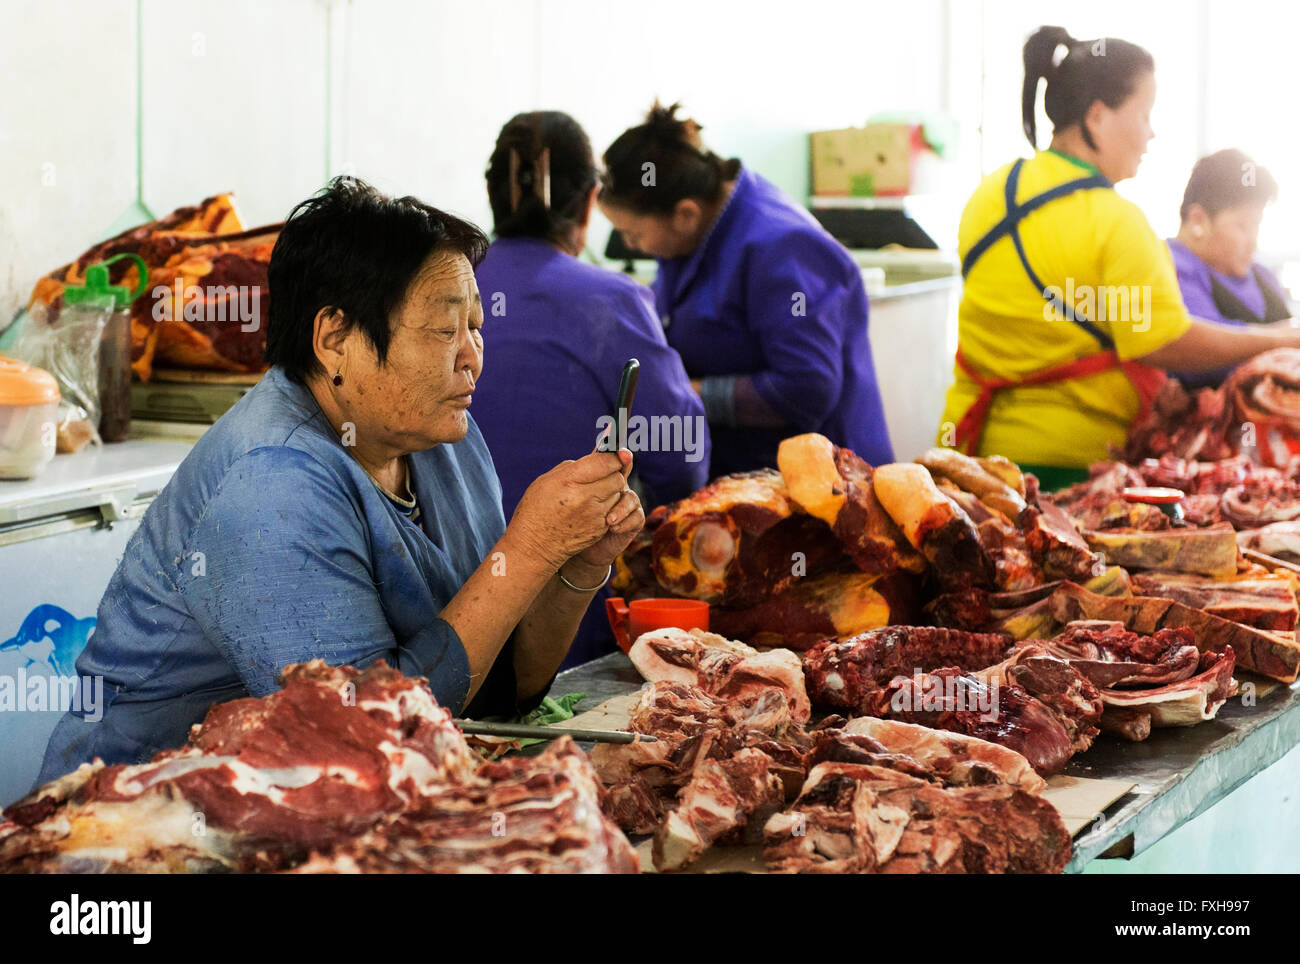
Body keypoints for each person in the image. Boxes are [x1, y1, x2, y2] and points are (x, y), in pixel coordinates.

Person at [37, 177, 644, 781]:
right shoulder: (271, 483)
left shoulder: (439, 438)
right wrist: (529, 545)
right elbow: (364, 743)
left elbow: (495, 690)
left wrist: (572, 563)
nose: (472, 356)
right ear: (334, 339)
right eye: (442, 331)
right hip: (151, 821)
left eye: (476, 327)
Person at [939, 27, 1300, 490]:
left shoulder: (992, 192)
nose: (1151, 134)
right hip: (1064, 470)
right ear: (1097, 116)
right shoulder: (1115, 220)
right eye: (1145, 114)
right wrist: (1277, 338)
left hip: (965, 454)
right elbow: (1167, 342)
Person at [472, 111, 708, 668]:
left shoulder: (437, 285)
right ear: (588, 203)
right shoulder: (610, 300)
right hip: (563, 618)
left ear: (493, 196)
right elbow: (682, 460)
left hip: (440, 605)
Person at [598, 103, 894, 477]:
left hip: (826, 481)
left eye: (633, 234)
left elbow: (807, 387)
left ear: (685, 214)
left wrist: (683, 392)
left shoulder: (783, 247)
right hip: (743, 472)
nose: (631, 245)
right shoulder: (689, 236)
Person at [1167, 149, 1292, 388]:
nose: (1252, 241)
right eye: (1243, 226)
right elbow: (1199, 357)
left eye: (1257, 226)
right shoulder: (1168, 269)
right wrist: (1284, 338)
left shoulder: (1262, 275)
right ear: (1197, 220)